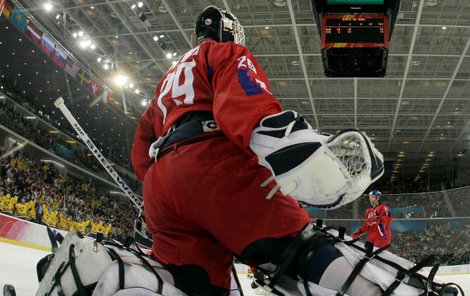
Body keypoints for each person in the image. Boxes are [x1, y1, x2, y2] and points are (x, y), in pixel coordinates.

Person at [129, 5, 457, 296]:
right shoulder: (224, 54)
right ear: (228, 32)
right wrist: (295, 148)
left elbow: (141, 151)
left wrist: (165, 191)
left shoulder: (164, 82)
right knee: (300, 250)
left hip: (161, 189)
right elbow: (243, 106)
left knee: (196, 284)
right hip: (213, 167)